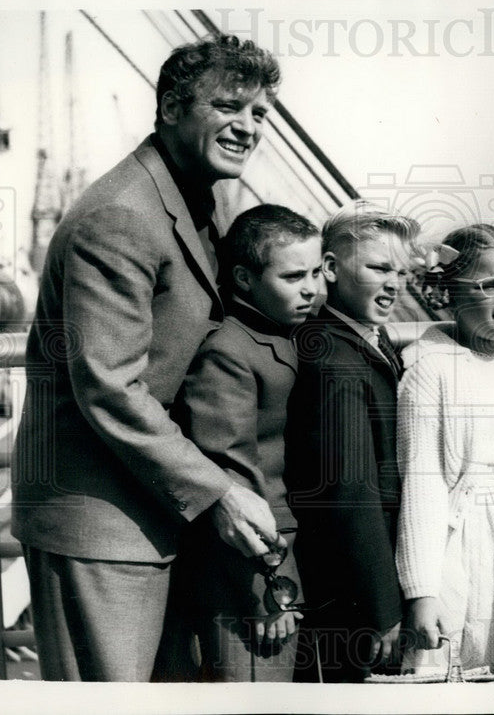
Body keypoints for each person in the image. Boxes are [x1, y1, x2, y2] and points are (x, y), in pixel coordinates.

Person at [11, 35, 285, 681]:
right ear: (170, 107)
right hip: (98, 521)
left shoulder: (194, 198)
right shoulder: (120, 214)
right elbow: (108, 385)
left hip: (153, 511)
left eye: (259, 113)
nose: (247, 127)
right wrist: (218, 491)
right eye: (228, 106)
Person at [164, 204, 322, 682]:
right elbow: (237, 482)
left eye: (317, 272)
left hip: (275, 567)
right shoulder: (228, 352)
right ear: (244, 279)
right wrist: (271, 590)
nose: (311, 288)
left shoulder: (277, 336)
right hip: (252, 580)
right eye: (293, 276)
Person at [395, 223, 494, 684]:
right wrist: (422, 591)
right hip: (466, 546)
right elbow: (423, 483)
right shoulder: (430, 371)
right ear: (448, 291)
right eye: (489, 286)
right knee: (462, 664)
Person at [284, 200, 420, 683]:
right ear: (330, 269)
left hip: (360, 576)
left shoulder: (361, 340)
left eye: (400, 271)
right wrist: (381, 605)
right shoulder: (334, 362)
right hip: (352, 590)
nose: (394, 283)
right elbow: (349, 491)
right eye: (379, 267)